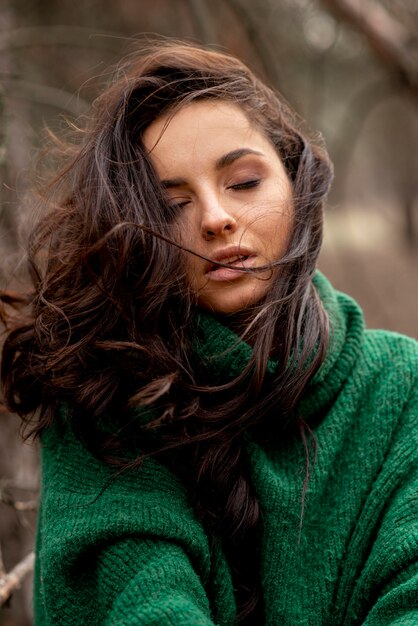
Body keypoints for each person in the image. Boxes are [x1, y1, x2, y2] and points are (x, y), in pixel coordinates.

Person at [1, 39, 418, 626]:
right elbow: (146, 607)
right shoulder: (102, 398)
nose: (217, 218)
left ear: (296, 186)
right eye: (171, 205)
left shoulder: (400, 388)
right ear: (131, 235)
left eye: (244, 182)